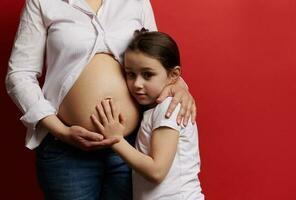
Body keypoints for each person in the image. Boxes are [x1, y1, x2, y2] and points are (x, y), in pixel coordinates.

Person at [6, 0, 196, 199]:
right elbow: (19, 74)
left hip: (133, 146)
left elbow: (155, 55)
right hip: (67, 149)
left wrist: (179, 85)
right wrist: (62, 132)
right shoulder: (42, 2)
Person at [91, 30, 204, 200]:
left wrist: (116, 139)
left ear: (173, 75)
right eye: (130, 74)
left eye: (147, 75)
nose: (137, 84)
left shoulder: (168, 108)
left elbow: (157, 171)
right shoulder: (153, 110)